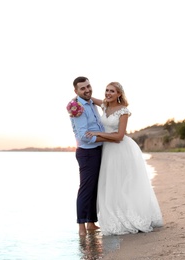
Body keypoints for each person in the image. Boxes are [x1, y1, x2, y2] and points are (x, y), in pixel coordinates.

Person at [86, 82, 163, 235]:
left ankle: (131, 216)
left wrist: (97, 134)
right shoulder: (104, 106)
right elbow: (89, 98)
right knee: (111, 184)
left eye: (112, 91)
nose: (108, 93)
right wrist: (77, 98)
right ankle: (113, 216)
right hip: (107, 150)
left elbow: (120, 136)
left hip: (120, 150)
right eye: (107, 90)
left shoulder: (124, 111)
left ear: (119, 94)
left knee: (124, 184)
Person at [68, 76, 114, 236]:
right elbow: (83, 136)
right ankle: (81, 227)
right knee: (86, 189)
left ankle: (91, 223)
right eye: (82, 88)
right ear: (76, 91)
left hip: (98, 150)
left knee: (95, 188)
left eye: (88, 86)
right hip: (87, 152)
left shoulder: (90, 103)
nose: (87, 90)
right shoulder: (78, 107)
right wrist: (107, 137)